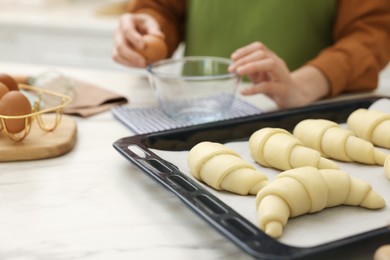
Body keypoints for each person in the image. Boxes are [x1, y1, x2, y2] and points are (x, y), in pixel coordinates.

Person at [112, 1, 390, 109]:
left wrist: (307, 83)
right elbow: (164, 9)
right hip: (192, 110)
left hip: (299, 112)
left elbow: (373, 31)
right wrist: (147, 28)